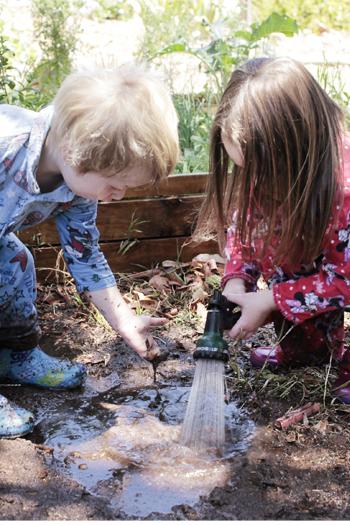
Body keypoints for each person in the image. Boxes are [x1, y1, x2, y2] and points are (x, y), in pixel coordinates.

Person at [0, 63, 179, 437]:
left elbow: (85, 255)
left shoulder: (79, 177)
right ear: (73, 150)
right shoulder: (8, 148)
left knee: (17, 262)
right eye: (115, 184)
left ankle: (18, 355)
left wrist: (125, 321)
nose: (118, 196)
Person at [196, 56, 350, 404]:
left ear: (295, 152)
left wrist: (270, 299)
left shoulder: (344, 191)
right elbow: (248, 231)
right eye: (243, 170)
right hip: (324, 248)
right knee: (286, 250)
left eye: (257, 171)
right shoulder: (268, 170)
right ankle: (309, 350)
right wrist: (237, 282)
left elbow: (345, 279)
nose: (253, 182)